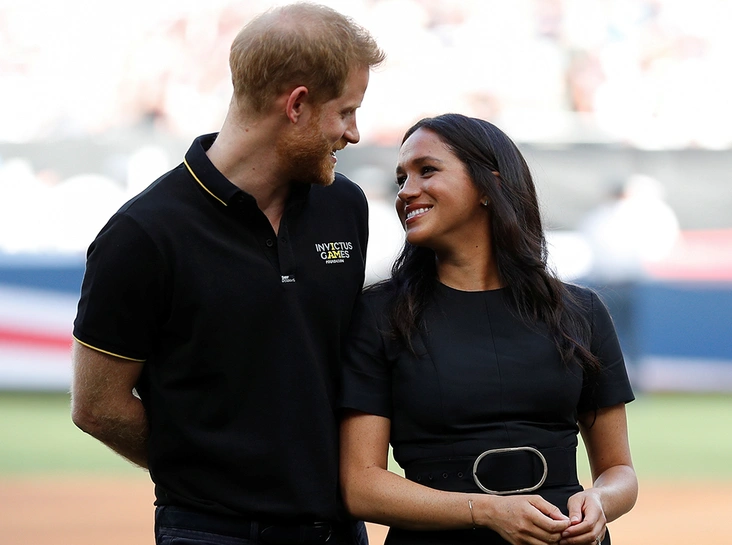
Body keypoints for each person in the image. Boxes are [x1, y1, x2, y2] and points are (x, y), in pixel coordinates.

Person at [70, 4, 384, 545]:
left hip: (338, 532)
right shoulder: (143, 234)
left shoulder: (345, 206)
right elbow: (97, 407)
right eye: (346, 112)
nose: (354, 134)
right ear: (297, 104)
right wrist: (211, 476)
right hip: (210, 533)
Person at [339, 114, 638, 545]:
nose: (405, 191)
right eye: (402, 178)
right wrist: (486, 511)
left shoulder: (581, 312)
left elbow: (619, 471)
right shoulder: (378, 314)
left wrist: (600, 502)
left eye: (427, 170)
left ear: (488, 186)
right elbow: (361, 484)